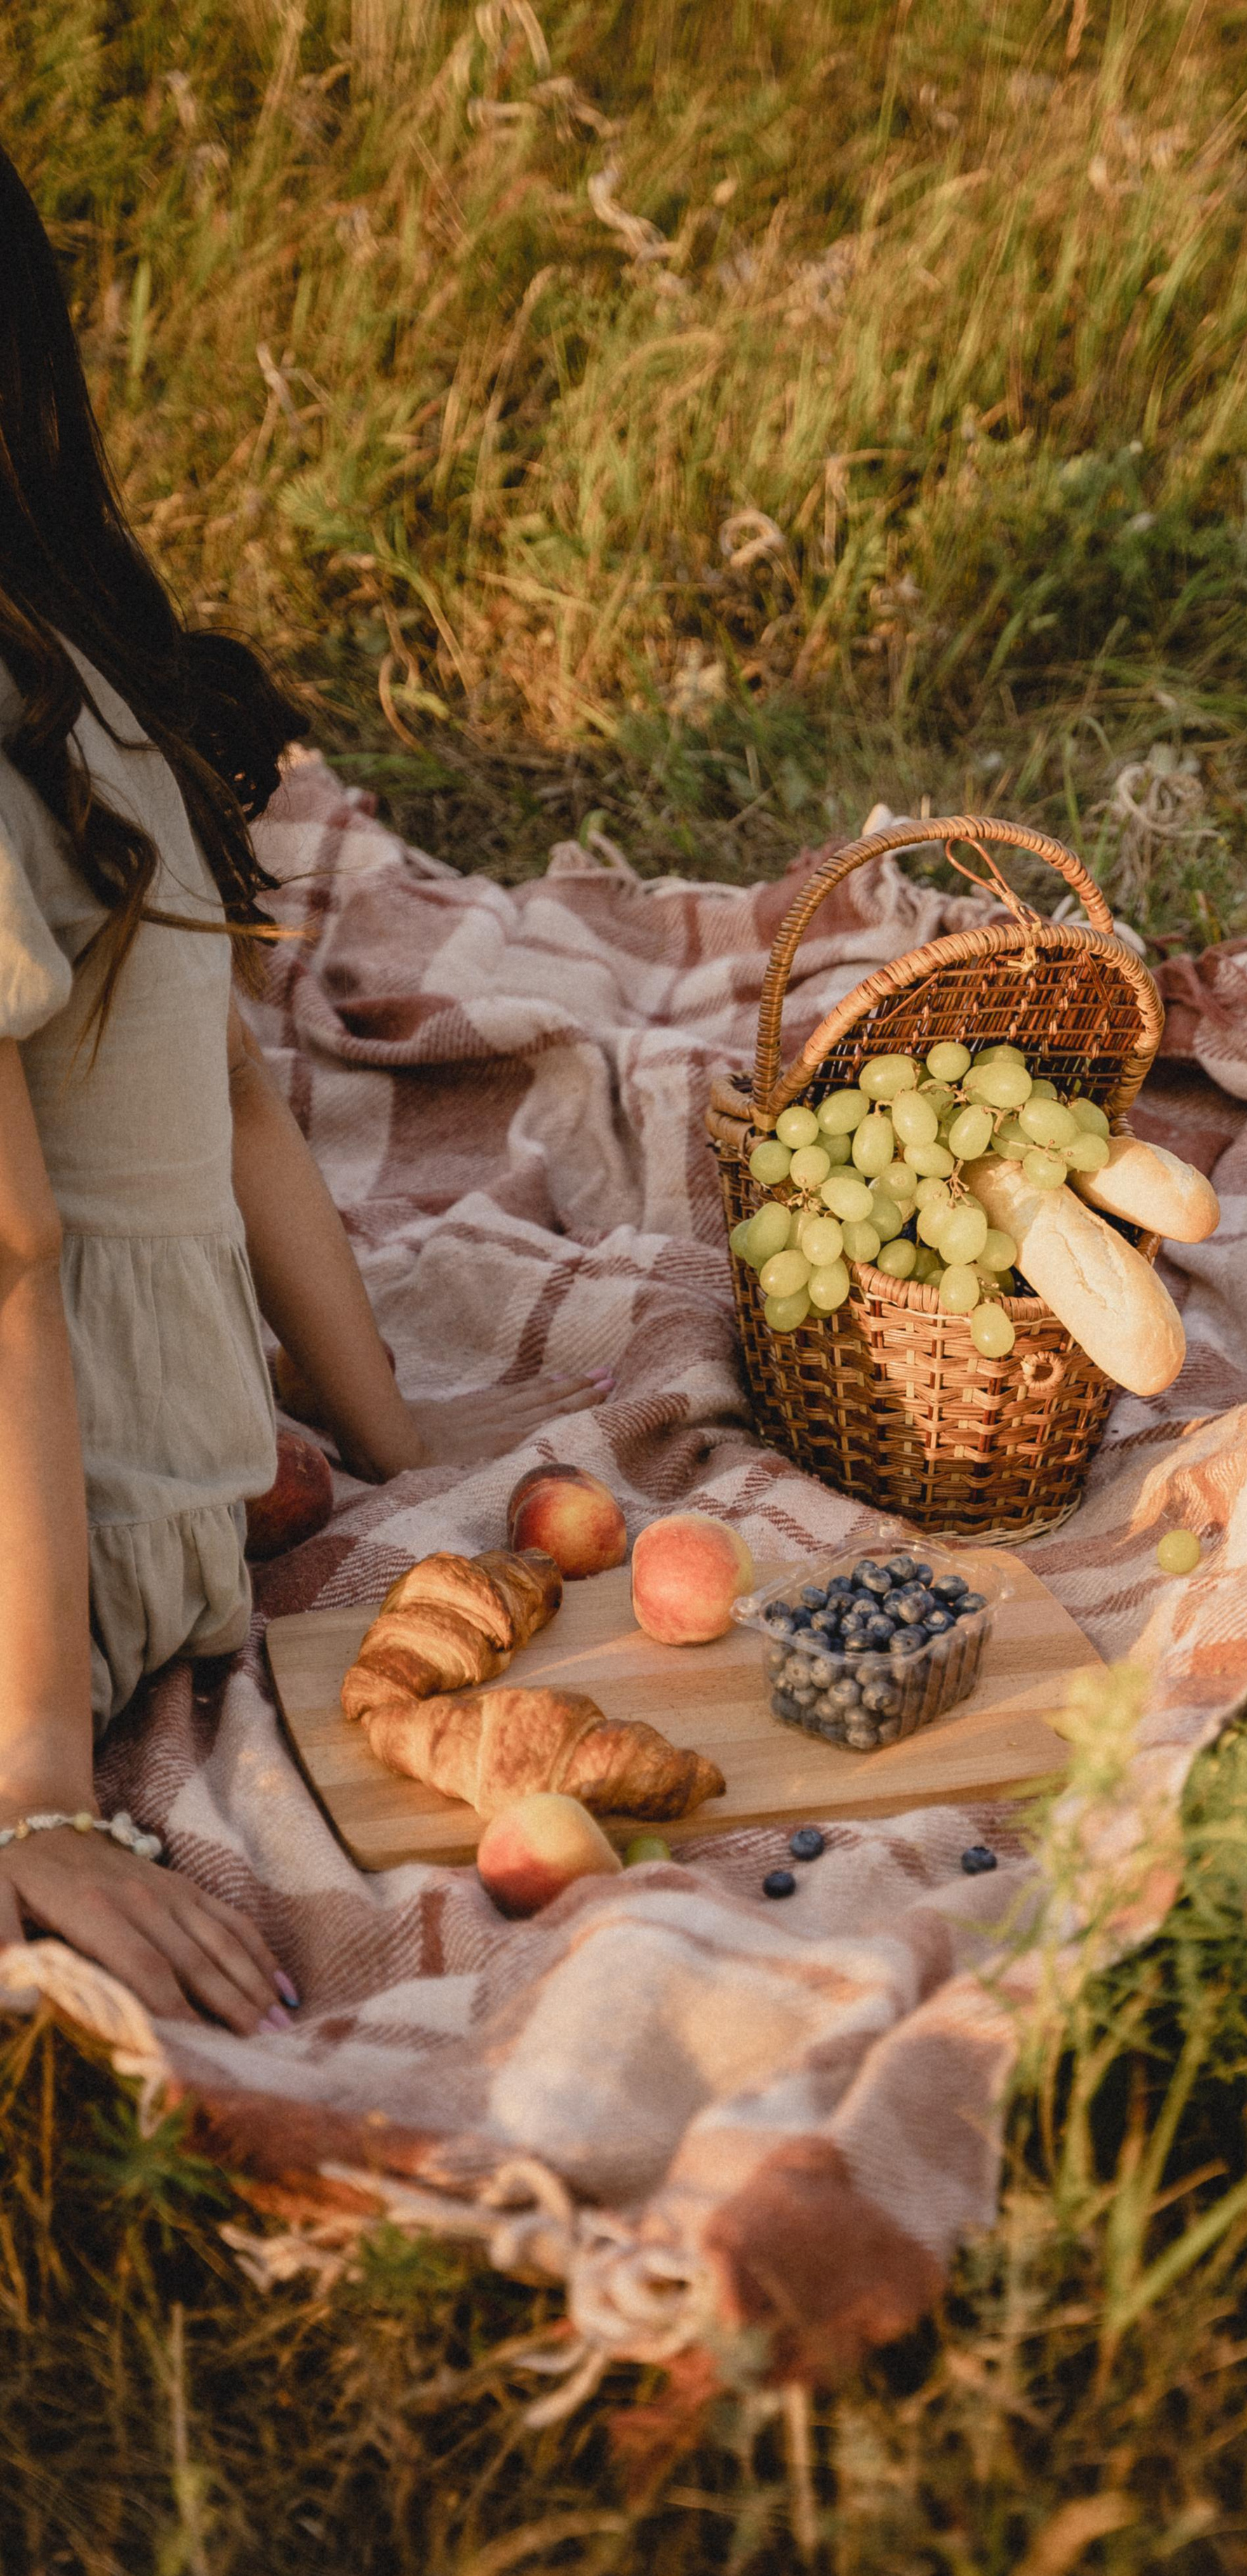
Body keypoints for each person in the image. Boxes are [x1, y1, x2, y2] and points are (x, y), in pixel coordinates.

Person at [0, 142, 611, 2034]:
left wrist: (33, 1787)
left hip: (54, 1582)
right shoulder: (91, 676)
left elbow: (9, 1252)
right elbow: (246, 1102)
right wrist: (402, 1450)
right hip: (169, 1506)